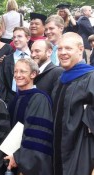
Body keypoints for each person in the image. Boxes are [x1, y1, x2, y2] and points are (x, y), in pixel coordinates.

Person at [52, 32, 94, 175]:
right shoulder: (61, 79)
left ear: (81, 49)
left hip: (82, 154)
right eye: (60, 48)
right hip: (58, 154)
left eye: (68, 48)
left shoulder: (90, 78)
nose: (63, 53)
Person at [5, 58, 53, 175]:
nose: (17, 75)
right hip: (12, 159)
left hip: (30, 165)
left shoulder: (39, 98)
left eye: (22, 71)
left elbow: (37, 136)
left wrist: (19, 157)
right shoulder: (14, 99)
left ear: (33, 74)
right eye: (15, 71)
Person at [0, 27, 31, 104]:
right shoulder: (7, 60)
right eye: (14, 37)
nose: (16, 39)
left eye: (19, 36)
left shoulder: (34, 58)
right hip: (11, 99)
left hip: (31, 98)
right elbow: (1, 82)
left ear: (28, 38)